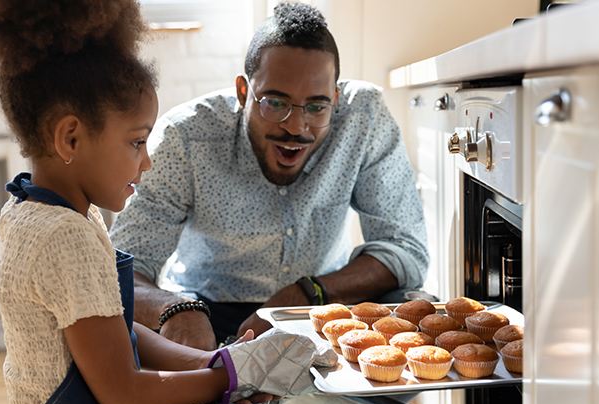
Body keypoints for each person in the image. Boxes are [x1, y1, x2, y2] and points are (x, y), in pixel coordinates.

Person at [0, 1, 333, 404]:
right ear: (70, 137)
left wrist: (212, 360)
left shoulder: (35, 210)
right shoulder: (65, 235)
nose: (147, 161)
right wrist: (230, 378)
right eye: (136, 142)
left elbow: (110, 328)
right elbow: (123, 394)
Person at [110, 1, 429, 349]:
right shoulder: (184, 137)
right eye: (275, 102)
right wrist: (174, 309)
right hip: (205, 308)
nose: (296, 126)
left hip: (323, 302)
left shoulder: (364, 117)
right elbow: (121, 266)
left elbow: (406, 249)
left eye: (317, 106)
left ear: (335, 98)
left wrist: (308, 292)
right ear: (244, 91)